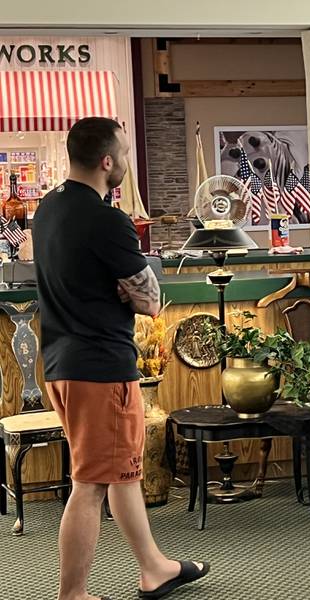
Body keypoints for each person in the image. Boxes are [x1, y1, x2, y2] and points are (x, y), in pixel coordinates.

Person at [34, 117, 210, 600]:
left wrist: (119, 287)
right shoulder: (106, 220)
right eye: (126, 155)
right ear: (107, 161)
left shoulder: (47, 209)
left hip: (62, 363)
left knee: (121, 470)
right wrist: (129, 288)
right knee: (91, 483)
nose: (127, 165)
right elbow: (152, 301)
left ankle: (155, 568)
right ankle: (73, 596)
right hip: (100, 369)